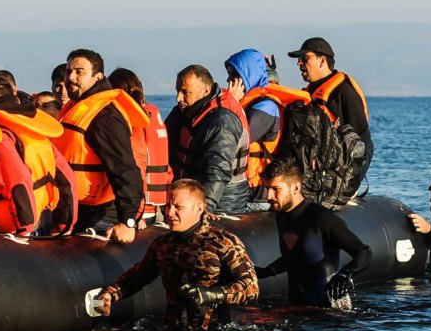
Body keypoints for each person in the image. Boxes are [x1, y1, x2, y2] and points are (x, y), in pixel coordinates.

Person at [95, 179, 258, 331]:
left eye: (178, 207)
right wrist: (110, 293)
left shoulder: (222, 242)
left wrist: (211, 295)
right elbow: (139, 276)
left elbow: (251, 288)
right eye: (167, 206)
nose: (170, 213)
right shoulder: (163, 243)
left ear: (199, 208)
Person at [55, 49, 147, 242]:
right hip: (69, 208)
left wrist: (128, 220)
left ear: (97, 77)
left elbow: (125, 169)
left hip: (94, 213)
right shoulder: (75, 106)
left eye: (79, 72)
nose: (70, 77)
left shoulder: (105, 115)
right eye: (68, 71)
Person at [255, 160, 372, 307]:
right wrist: (267, 271)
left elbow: (364, 252)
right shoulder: (282, 216)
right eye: (267, 188)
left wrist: (345, 274)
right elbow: (297, 257)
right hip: (297, 308)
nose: (268, 196)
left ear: (296, 188)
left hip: (327, 315)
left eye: (275, 189)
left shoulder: (321, 218)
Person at [0, 75, 75, 235]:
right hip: (44, 217)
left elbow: (17, 180)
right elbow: (67, 176)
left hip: (11, 225)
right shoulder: (33, 129)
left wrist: (24, 229)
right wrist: (65, 224)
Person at [288, 37, 371, 197]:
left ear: (322, 60)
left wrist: (349, 182)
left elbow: (362, 142)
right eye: (299, 59)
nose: (299, 63)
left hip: (338, 172)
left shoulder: (344, 93)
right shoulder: (309, 93)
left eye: (305, 58)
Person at [165, 65, 253, 214]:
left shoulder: (222, 120)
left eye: (185, 92)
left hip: (222, 203)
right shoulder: (183, 112)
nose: (178, 98)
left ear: (206, 91)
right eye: (177, 91)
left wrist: (205, 208)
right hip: (187, 196)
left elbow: (218, 169)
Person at [226, 48, 308, 195]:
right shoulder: (250, 103)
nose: (228, 80)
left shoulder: (266, 107)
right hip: (246, 188)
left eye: (233, 74)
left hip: (257, 191)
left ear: (247, 76)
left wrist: (230, 103)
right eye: (229, 74)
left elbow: (232, 139)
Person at [107, 67, 171, 222]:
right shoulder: (153, 116)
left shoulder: (132, 122)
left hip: (139, 211)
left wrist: (134, 215)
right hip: (154, 208)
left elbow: (137, 166)